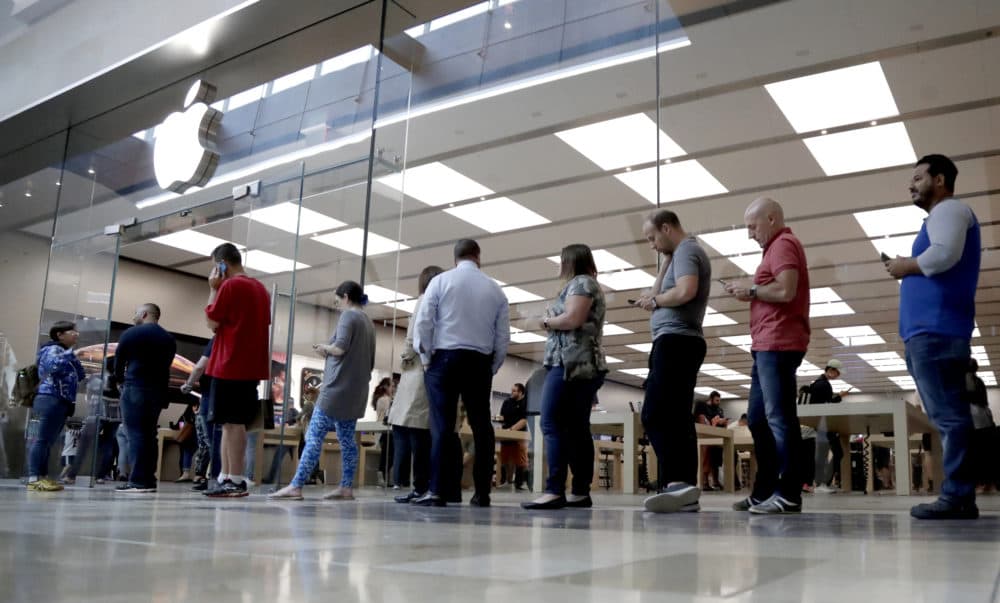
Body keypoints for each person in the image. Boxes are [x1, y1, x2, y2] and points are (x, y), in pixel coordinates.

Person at [885, 154, 981, 519]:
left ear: (940, 180)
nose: (911, 184)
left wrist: (903, 266)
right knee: (948, 416)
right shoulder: (941, 216)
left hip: (937, 331)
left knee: (950, 418)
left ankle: (957, 496)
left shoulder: (950, 210)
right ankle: (958, 494)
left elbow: (944, 255)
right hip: (931, 332)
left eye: (918, 177)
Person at [725, 197, 810, 514]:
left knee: (779, 419)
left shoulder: (785, 243)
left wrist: (751, 290)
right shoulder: (772, 250)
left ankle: (789, 493)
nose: (750, 234)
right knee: (759, 421)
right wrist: (751, 287)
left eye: (752, 226)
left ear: (772, 218)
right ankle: (764, 491)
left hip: (779, 343)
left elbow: (787, 290)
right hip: (764, 345)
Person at [412, 239, 510, 507]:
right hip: (479, 361)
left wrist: (426, 357)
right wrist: (492, 366)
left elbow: (424, 322)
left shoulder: (441, 282)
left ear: (455, 258)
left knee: (442, 426)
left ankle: (437, 491)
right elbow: (502, 338)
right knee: (481, 426)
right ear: (478, 256)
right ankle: (482, 493)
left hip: (444, 358)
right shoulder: (495, 290)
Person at [633, 210, 711, 513]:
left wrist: (655, 301)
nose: (651, 244)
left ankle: (679, 483)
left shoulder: (688, 250)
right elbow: (661, 291)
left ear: (667, 228)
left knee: (654, 414)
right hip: (676, 341)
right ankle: (679, 487)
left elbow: (686, 291)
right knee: (677, 417)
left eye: (653, 237)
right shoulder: (678, 254)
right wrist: (664, 264)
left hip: (678, 341)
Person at [269, 281, 376, 501]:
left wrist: (324, 347)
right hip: (356, 392)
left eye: (337, 299)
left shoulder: (348, 317)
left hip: (335, 389)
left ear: (346, 296)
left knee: (314, 435)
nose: (336, 303)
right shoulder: (369, 323)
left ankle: (296, 485)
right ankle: (346, 487)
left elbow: (340, 348)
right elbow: (366, 360)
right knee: (347, 440)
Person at [522, 244, 607, 510]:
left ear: (568, 261)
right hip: (580, 364)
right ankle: (580, 491)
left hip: (570, 364)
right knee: (576, 428)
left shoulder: (581, 283)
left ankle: (554, 489)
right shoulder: (587, 283)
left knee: (551, 423)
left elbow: (572, 318)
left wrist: (545, 321)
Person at [203, 243, 271, 498]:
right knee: (230, 423)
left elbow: (212, 322)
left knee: (232, 424)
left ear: (221, 264)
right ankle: (225, 475)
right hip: (249, 366)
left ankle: (235, 478)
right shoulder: (261, 289)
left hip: (229, 363)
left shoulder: (230, 286)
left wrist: (213, 290)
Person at [390, 265, 443, 503]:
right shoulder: (444, 302)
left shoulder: (423, 300)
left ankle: (419, 486)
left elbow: (413, 337)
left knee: (415, 431)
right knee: (427, 432)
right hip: (435, 371)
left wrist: (404, 358)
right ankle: (429, 485)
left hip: (417, 372)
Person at [114, 303, 177, 494]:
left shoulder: (132, 333)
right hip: (157, 391)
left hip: (135, 386)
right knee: (150, 435)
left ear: (144, 314)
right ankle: (148, 478)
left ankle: (138, 481)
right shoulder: (168, 338)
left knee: (135, 434)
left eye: (135, 313)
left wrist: (119, 381)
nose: (134, 317)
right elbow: (167, 366)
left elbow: (119, 361)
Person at [27, 321, 86, 492]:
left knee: (46, 441)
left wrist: (73, 357)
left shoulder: (63, 351)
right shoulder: (52, 349)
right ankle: (34, 477)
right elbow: (52, 366)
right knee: (40, 439)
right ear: (59, 334)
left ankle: (42, 477)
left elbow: (80, 375)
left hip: (58, 401)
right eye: (72, 331)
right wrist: (72, 354)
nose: (76, 334)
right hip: (48, 400)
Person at [180, 338, 220, 490]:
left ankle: (214, 479)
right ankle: (218, 477)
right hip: (221, 395)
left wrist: (188, 384)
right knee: (218, 440)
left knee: (210, 441)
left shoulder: (216, 340)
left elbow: (199, 367)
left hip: (209, 397)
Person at [807, 359, 848, 493]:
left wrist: (838, 397)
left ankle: (823, 483)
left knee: (830, 453)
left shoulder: (818, 384)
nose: (838, 375)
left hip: (820, 423)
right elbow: (827, 405)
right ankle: (821, 483)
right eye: (837, 373)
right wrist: (839, 397)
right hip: (824, 424)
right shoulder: (823, 385)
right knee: (832, 453)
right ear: (830, 370)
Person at [695, 391, 729, 491]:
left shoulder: (719, 410)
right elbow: (703, 422)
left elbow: (720, 423)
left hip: (717, 436)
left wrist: (722, 422)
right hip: (705, 436)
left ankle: (715, 481)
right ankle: (705, 481)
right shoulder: (702, 408)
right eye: (716, 400)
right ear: (711, 399)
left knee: (717, 457)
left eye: (719, 400)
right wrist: (714, 422)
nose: (718, 402)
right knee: (706, 457)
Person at [498, 383, 530, 491]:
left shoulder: (525, 403)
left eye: (514, 391)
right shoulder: (507, 402)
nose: (512, 393)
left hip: (519, 434)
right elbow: (502, 416)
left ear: (521, 392)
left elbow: (524, 420)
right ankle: (504, 480)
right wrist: (499, 419)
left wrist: (512, 429)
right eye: (511, 391)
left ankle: (518, 484)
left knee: (520, 460)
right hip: (506, 434)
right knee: (504, 458)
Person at [372, 377, 394, 486]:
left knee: (387, 453)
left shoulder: (381, 399)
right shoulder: (385, 399)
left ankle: (384, 476)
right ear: (386, 387)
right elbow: (388, 415)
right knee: (388, 454)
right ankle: (382, 476)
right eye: (392, 386)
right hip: (385, 430)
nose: (393, 388)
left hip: (383, 430)